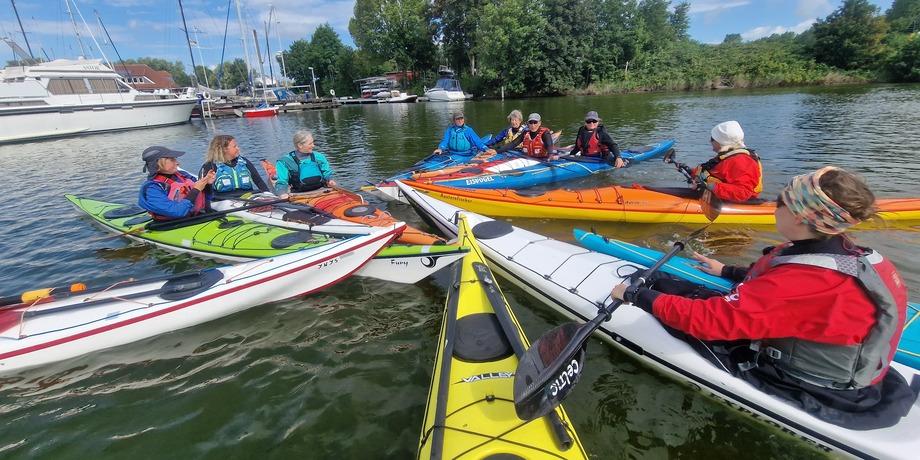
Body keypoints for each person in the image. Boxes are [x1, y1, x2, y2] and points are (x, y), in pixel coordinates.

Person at [611, 166, 914, 429]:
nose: (772, 205)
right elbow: (789, 284)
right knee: (677, 287)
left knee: (676, 310)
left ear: (799, 217)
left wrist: (636, 295)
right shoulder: (854, 254)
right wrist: (728, 270)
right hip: (847, 371)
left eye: (781, 201)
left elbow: (708, 322)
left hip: (811, 385)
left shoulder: (805, 280)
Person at [692, 120, 763, 202]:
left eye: (712, 139)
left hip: (734, 204)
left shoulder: (742, 162)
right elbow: (712, 173)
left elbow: (742, 192)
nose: (710, 141)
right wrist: (691, 171)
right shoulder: (728, 156)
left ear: (721, 141)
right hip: (716, 196)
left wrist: (710, 186)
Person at [138, 145, 215, 220]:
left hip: (195, 217)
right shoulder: (152, 189)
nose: (177, 163)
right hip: (172, 224)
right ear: (158, 163)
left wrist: (207, 184)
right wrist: (196, 190)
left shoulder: (183, 175)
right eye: (172, 160)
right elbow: (177, 212)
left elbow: (206, 198)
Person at [199, 134, 270, 199]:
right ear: (224, 149)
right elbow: (202, 191)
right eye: (235, 146)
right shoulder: (209, 166)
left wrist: (268, 195)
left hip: (248, 198)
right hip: (223, 201)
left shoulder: (244, 162)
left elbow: (259, 182)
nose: (238, 148)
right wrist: (207, 184)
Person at [274, 129, 337, 196]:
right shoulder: (285, 161)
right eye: (310, 143)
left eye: (313, 143)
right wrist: (282, 193)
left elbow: (326, 172)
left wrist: (330, 180)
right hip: (298, 194)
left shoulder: (319, 156)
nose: (313, 145)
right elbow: (282, 181)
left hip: (322, 191)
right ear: (300, 145)